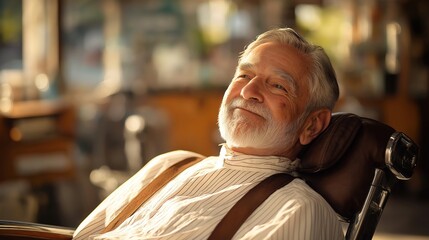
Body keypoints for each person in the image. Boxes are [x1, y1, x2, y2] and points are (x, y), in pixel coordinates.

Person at [73, 27, 344, 240]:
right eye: (244, 76)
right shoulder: (169, 165)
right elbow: (82, 236)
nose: (249, 92)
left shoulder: (297, 210)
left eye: (277, 86)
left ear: (312, 125)